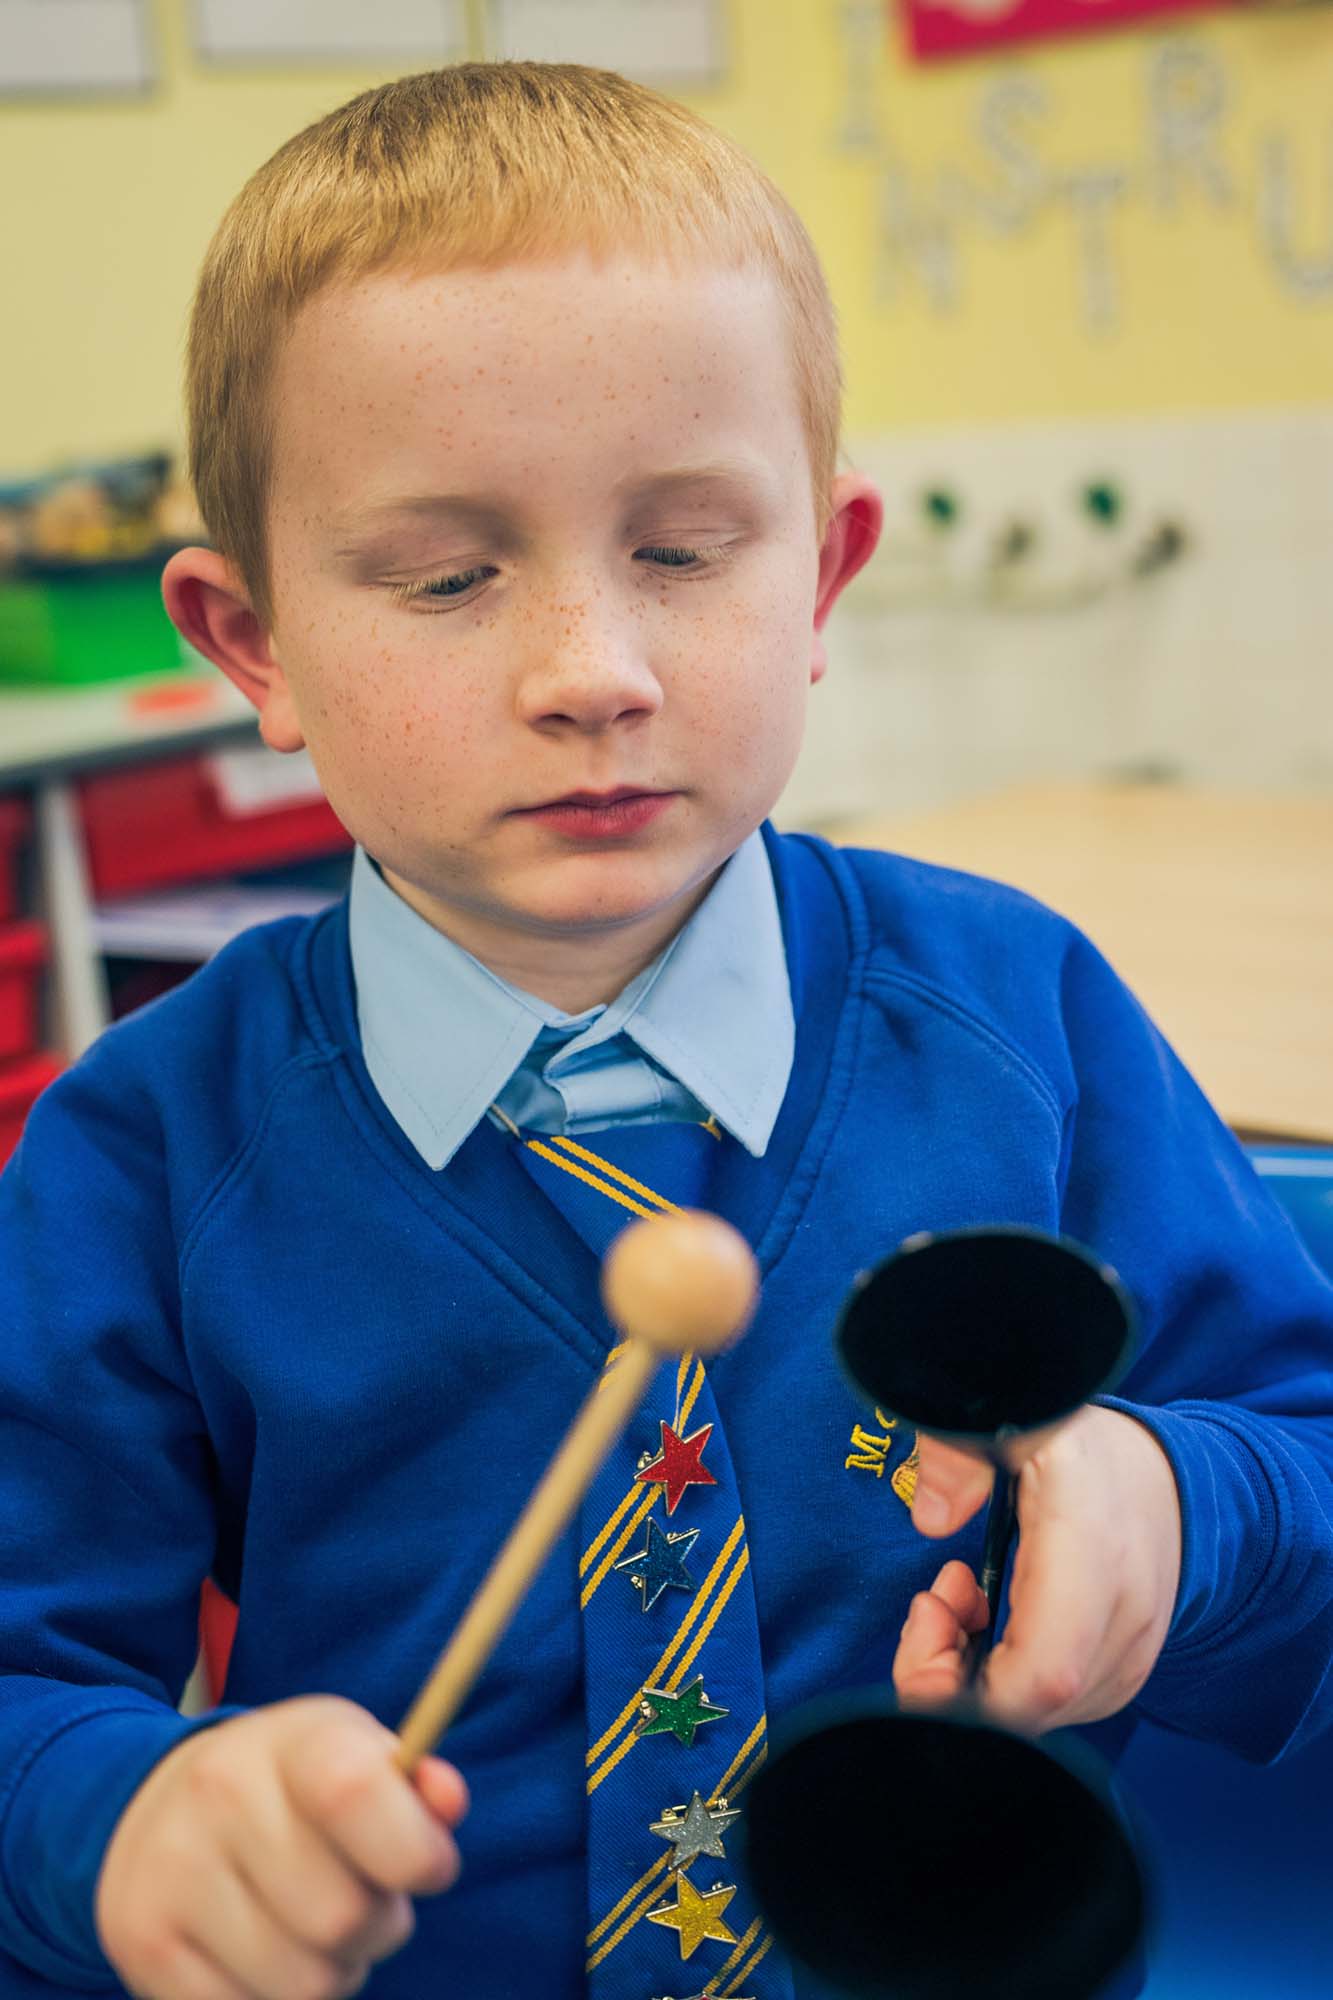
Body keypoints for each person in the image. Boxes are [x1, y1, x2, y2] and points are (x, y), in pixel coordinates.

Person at [0, 60, 1329, 2000]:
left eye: (686, 551)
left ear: (823, 576)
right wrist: (117, 1822)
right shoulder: (141, 1146)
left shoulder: (1022, 1017)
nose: (592, 673)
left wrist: (1177, 1514)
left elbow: (1307, 1469)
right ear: (251, 644)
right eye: (451, 576)